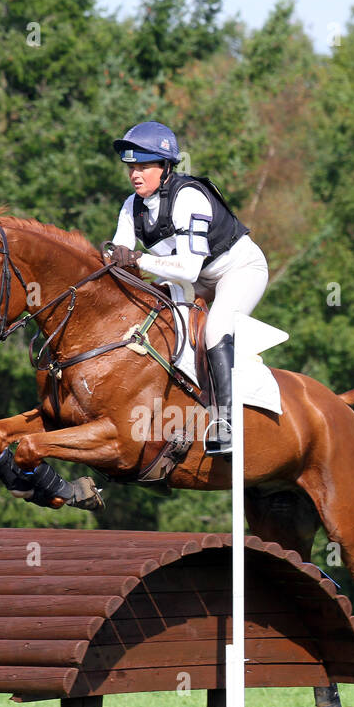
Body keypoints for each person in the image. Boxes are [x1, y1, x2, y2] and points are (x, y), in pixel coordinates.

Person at [105, 121, 268, 456]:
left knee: (215, 329)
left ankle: (226, 423)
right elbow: (119, 258)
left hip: (238, 271)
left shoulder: (188, 197)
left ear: (165, 168)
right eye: (132, 167)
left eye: (144, 166)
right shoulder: (130, 206)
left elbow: (189, 268)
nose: (135, 174)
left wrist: (138, 258)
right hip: (190, 279)